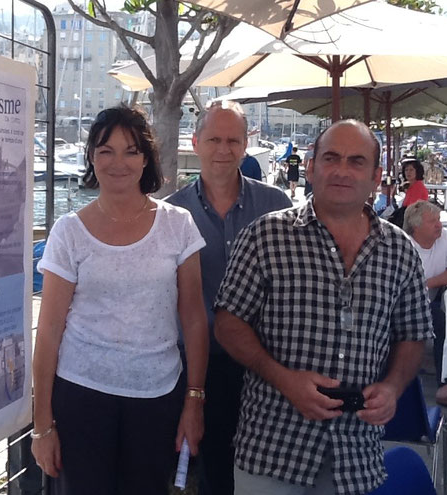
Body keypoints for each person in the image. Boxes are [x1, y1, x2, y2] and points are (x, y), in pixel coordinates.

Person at [214, 119, 433, 495]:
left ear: (376, 175)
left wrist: (394, 388)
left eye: (356, 161)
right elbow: (228, 322)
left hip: (356, 455)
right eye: (331, 158)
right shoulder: (266, 236)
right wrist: (284, 378)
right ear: (311, 167)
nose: (342, 171)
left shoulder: (401, 252)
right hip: (273, 449)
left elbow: (413, 334)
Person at [32, 105, 209, 494]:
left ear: (146, 159)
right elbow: (48, 334)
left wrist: (194, 400)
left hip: (157, 398)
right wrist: (42, 426)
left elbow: (195, 319)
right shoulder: (69, 232)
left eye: (130, 151)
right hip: (81, 397)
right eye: (105, 150)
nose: (118, 162)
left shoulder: (178, 224)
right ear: (92, 157)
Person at [167, 100, 291, 495]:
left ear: (246, 144)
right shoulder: (171, 212)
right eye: (215, 139)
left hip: (262, 360)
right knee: (213, 469)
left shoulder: (276, 206)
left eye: (233, 140)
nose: (224, 149)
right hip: (196, 364)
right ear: (196, 141)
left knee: (265, 470)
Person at [404, 200, 447, 408]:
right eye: (433, 221)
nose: (439, 225)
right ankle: (445, 385)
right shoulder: (405, 246)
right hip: (405, 305)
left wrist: (427, 283)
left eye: (439, 219)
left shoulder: (444, 237)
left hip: (430, 296)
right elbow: (405, 292)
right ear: (417, 227)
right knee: (440, 322)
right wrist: (430, 285)